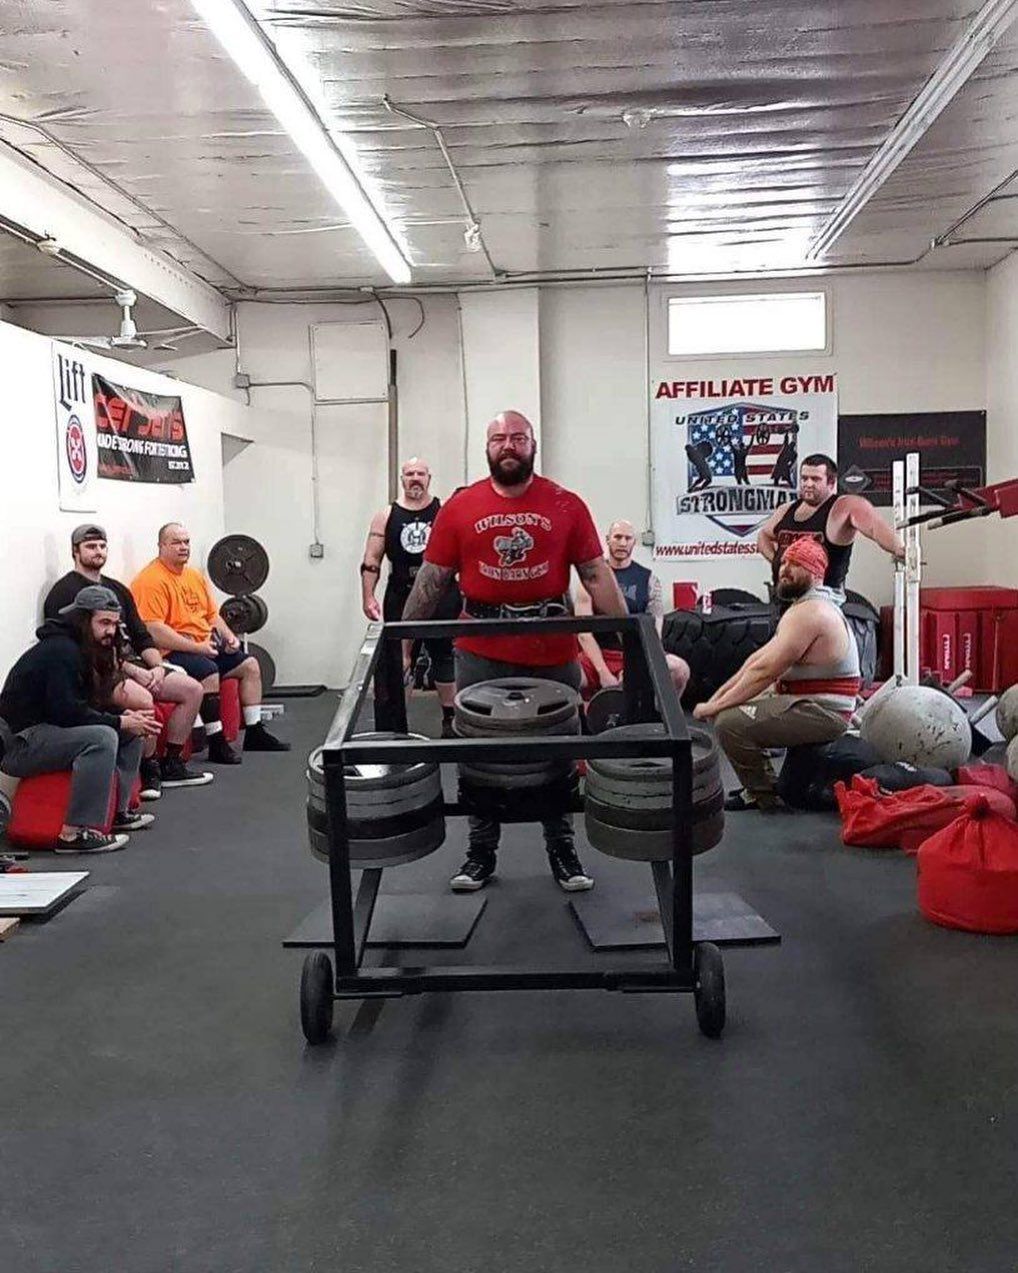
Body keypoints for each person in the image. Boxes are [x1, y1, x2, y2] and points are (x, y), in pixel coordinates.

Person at [402, 410, 627, 893]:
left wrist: (631, 634)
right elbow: (432, 578)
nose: (509, 446)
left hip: (550, 645)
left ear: (533, 445)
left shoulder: (565, 504)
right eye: (500, 438)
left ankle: (562, 850)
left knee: (558, 751)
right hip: (480, 648)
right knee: (480, 752)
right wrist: (402, 640)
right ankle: (480, 853)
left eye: (518, 438)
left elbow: (593, 573)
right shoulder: (461, 508)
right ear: (487, 447)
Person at [693, 538, 862, 812]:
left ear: (817, 573)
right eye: (784, 562)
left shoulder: (811, 612)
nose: (785, 569)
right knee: (733, 708)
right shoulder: (802, 608)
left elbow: (765, 672)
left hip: (824, 713)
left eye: (796, 564)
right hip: (807, 702)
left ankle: (765, 796)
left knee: (729, 723)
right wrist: (718, 696)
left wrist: (716, 707)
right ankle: (763, 786)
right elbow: (756, 660)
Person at [43, 524, 210, 795]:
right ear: (75, 552)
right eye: (90, 546)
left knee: (192, 689)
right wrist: (135, 672)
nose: (98, 552)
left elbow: (141, 635)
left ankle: (173, 764)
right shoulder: (64, 593)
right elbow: (83, 650)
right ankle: (149, 768)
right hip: (99, 670)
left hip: (134, 662)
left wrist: (156, 666)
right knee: (143, 699)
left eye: (102, 546)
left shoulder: (117, 589)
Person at [0, 586, 164, 852]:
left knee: (130, 731)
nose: (111, 631)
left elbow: (82, 708)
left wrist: (125, 719)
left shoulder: (82, 649)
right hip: (21, 742)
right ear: (83, 620)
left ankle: (117, 814)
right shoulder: (61, 652)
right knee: (103, 737)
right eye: (104, 622)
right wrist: (119, 722)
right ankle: (75, 832)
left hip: (47, 730)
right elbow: (67, 713)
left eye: (114, 623)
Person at [131, 523, 289, 763]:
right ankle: (216, 742)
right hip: (172, 652)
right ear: (162, 546)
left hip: (203, 646)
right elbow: (153, 631)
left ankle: (255, 732)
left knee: (250, 665)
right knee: (209, 672)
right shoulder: (150, 580)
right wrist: (197, 648)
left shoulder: (194, 575)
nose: (183, 547)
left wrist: (229, 636)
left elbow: (211, 615)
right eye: (176, 542)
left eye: (186, 542)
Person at [360, 457, 460, 737]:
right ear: (402, 479)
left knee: (444, 655)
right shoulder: (386, 515)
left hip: (441, 593)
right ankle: (396, 725)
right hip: (401, 592)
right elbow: (371, 559)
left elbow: (464, 554)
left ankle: (450, 719)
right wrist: (368, 596)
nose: (415, 478)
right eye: (410, 474)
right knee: (397, 658)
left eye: (420, 473)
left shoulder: (444, 512)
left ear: (430, 478)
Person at [757, 453, 904, 600]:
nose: (808, 484)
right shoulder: (786, 510)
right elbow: (763, 536)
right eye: (804, 478)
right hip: (783, 598)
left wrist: (900, 549)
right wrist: (778, 560)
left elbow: (874, 527)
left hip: (821, 600)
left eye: (815, 479)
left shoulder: (843, 507)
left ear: (831, 482)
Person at [575, 519, 690, 700]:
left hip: (635, 653)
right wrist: (603, 673)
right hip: (599, 654)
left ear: (634, 543)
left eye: (628, 538)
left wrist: (636, 667)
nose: (622, 543)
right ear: (608, 540)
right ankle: (579, 722)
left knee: (679, 669)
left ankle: (659, 719)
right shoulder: (590, 578)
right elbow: (584, 634)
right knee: (568, 675)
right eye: (617, 537)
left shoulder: (649, 579)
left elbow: (654, 630)